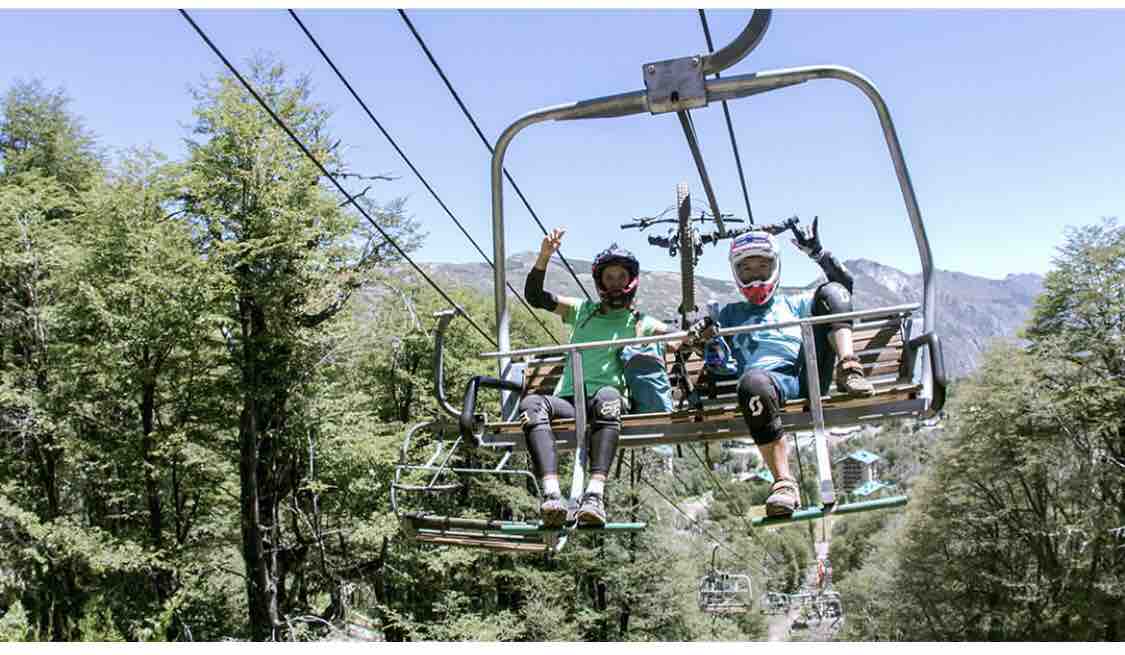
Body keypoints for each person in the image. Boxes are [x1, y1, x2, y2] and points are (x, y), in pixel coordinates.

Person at [688, 218, 874, 517]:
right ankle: (784, 483)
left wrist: (819, 254)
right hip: (762, 386)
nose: (755, 276)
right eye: (746, 270)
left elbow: (845, 290)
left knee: (833, 292)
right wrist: (705, 341)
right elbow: (720, 366)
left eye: (762, 267)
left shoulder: (795, 303)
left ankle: (849, 367)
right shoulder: (728, 313)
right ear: (735, 273)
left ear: (775, 267)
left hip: (806, 376)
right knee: (752, 383)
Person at [521, 228, 673, 528]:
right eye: (609, 278)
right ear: (601, 282)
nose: (615, 284)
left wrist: (696, 334)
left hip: (608, 403)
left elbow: (678, 339)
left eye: (620, 278)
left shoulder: (640, 322)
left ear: (630, 281)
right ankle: (552, 495)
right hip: (571, 402)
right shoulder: (582, 311)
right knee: (531, 404)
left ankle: (594, 495)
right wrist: (544, 257)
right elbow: (536, 296)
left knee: (607, 397)